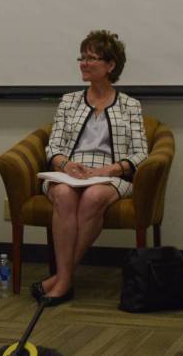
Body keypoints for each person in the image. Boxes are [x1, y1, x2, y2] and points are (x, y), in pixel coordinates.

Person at [36, 30, 148, 306]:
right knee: (63, 195)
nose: (84, 63)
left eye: (91, 58)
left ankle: (61, 279)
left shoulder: (130, 105)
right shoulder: (69, 101)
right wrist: (65, 164)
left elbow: (141, 153)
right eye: (82, 58)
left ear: (110, 65)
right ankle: (65, 279)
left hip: (110, 175)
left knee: (93, 197)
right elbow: (53, 146)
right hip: (70, 171)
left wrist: (110, 170)